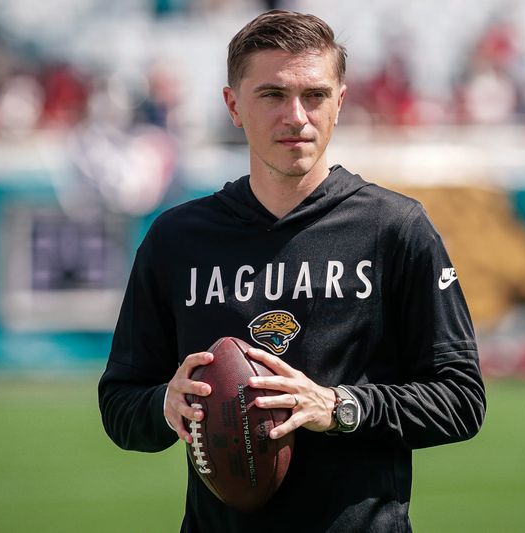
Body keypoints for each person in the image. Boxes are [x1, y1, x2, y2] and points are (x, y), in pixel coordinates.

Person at [99, 10, 485, 532]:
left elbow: (461, 399)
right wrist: (164, 406)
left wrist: (338, 406)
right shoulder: (177, 239)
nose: (297, 116)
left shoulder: (394, 228)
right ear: (233, 105)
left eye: (316, 95)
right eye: (273, 95)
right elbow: (120, 403)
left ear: (340, 102)